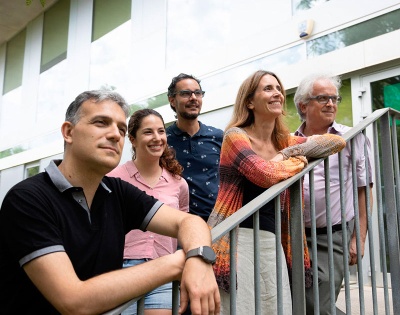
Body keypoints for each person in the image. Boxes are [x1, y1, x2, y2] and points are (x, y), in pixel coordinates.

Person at [0, 90, 220, 315]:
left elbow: (189, 222)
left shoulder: (117, 192)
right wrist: (182, 262)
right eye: (101, 122)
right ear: (68, 132)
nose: (116, 135)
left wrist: (199, 256)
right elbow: (74, 301)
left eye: (121, 129)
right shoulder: (27, 199)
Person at [207, 70, 346, 314]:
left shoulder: (283, 142)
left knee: (274, 306)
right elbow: (263, 174)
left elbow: (336, 142)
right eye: (268, 88)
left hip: (272, 239)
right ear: (250, 101)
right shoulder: (235, 137)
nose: (277, 94)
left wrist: (286, 153)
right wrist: (295, 162)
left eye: (278, 89)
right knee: (240, 308)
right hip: (237, 239)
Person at [293, 72, 373, 315]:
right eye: (323, 98)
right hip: (294, 236)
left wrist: (358, 238)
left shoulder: (351, 136)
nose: (331, 103)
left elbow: (364, 188)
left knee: (319, 305)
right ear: (303, 106)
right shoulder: (290, 141)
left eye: (334, 98)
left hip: (332, 235)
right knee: (297, 302)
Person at [107, 108, 189, 315]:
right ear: (133, 139)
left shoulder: (179, 184)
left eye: (161, 131)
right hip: (123, 271)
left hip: (163, 270)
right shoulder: (113, 179)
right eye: (148, 132)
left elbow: (184, 227)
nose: (157, 138)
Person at [166, 73, 223, 222]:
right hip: (179, 225)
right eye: (186, 93)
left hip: (221, 223)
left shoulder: (218, 136)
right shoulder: (163, 140)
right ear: (172, 100)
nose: (193, 98)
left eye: (198, 93)